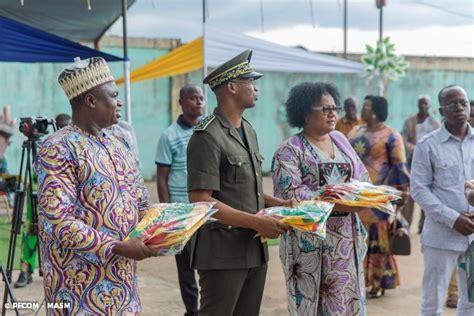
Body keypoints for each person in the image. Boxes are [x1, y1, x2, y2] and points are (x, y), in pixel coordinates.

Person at [35, 57, 159, 315]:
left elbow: (140, 198)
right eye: (113, 95)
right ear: (91, 100)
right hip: (79, 289)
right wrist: (115, 246)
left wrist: (164, 227)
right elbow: (58, 222)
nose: (120, 101)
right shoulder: (58, 148)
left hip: (123, 286)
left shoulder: (118, 143)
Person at [186, 49, 292, 316]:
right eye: (251, 83)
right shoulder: (206, 135)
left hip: (253, 249)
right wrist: (257, 222)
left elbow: (245, 189)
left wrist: (279, 204)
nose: (256, 89)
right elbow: (201, 200)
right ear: (232, 87)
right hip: (222, 253)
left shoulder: (248, 130)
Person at [272, 82, 370, 315]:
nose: (333, 113)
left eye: (335, 108)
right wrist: (336, 199)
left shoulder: (340, 140)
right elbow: (289, 196)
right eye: (325, 109)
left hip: (346, 239)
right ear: (305, 113)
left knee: (347, 299)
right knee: (314, 303)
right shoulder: (290, 150)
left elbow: (363, 178)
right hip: (310, 245)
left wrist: (367, 196)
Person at [411, 85, 474, 315]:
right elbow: (419, 189)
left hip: (473, 239)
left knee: (470, 302)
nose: (459, 107)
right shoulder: (427, 145)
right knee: (433, 303)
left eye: (463, 102)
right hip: (441, 237)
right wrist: (453, 218)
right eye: (452, 104)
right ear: (441, 110)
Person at [348, 95, 410, 298]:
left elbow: (400, 166)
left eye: (365, 107)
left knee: (378, 241)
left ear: (374, 111)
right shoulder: (356, 130)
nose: (362, 110)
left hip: (378, 199)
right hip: (356, 197)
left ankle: (377, 283)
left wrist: (402, 196)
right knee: (356, 240)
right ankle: (357, 282)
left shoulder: (391, 135)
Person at [155, 85, 204, 316]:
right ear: (182, 102)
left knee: (207, 264)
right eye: (193, 98)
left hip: (206, 210)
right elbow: (162, 178)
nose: (198, 102)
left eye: (201, 98)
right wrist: (167, 212)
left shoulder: (209, 130)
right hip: (181, 213)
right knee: (186, 268)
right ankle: (191, 311)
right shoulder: (169, 135)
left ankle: (209, 309)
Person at [14, 113, 72, 289]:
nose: (63, 131)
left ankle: (64, 271)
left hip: (68, 200)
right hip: (41, 194)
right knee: (32, 228)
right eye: (60, 127)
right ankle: (26, 269)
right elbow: (35, 172)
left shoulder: (76, 145)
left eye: (66, 127)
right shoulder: (47, 146)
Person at [401, 95, 440, 231]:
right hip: (412, 161)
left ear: (429, 106)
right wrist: (415, 148)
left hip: (430, 163)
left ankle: (423, 225)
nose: (423, 106)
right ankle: (406, 225)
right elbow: (403, 140)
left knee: (428, 192)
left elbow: (438, 142)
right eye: (421, 104)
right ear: (418, 105)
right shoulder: (410, 122)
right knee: (410, 191)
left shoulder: (435, 123)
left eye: (426, 104)